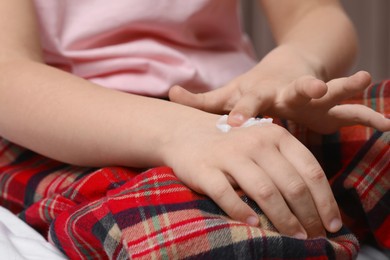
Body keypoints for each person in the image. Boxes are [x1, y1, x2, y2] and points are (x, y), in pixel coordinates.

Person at [0, 0, 388, 250]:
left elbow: (314, 13)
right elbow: (9, 74)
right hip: (76, 131)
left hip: (239, 108)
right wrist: (181, 133)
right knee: (194, 234)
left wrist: (293, 64)